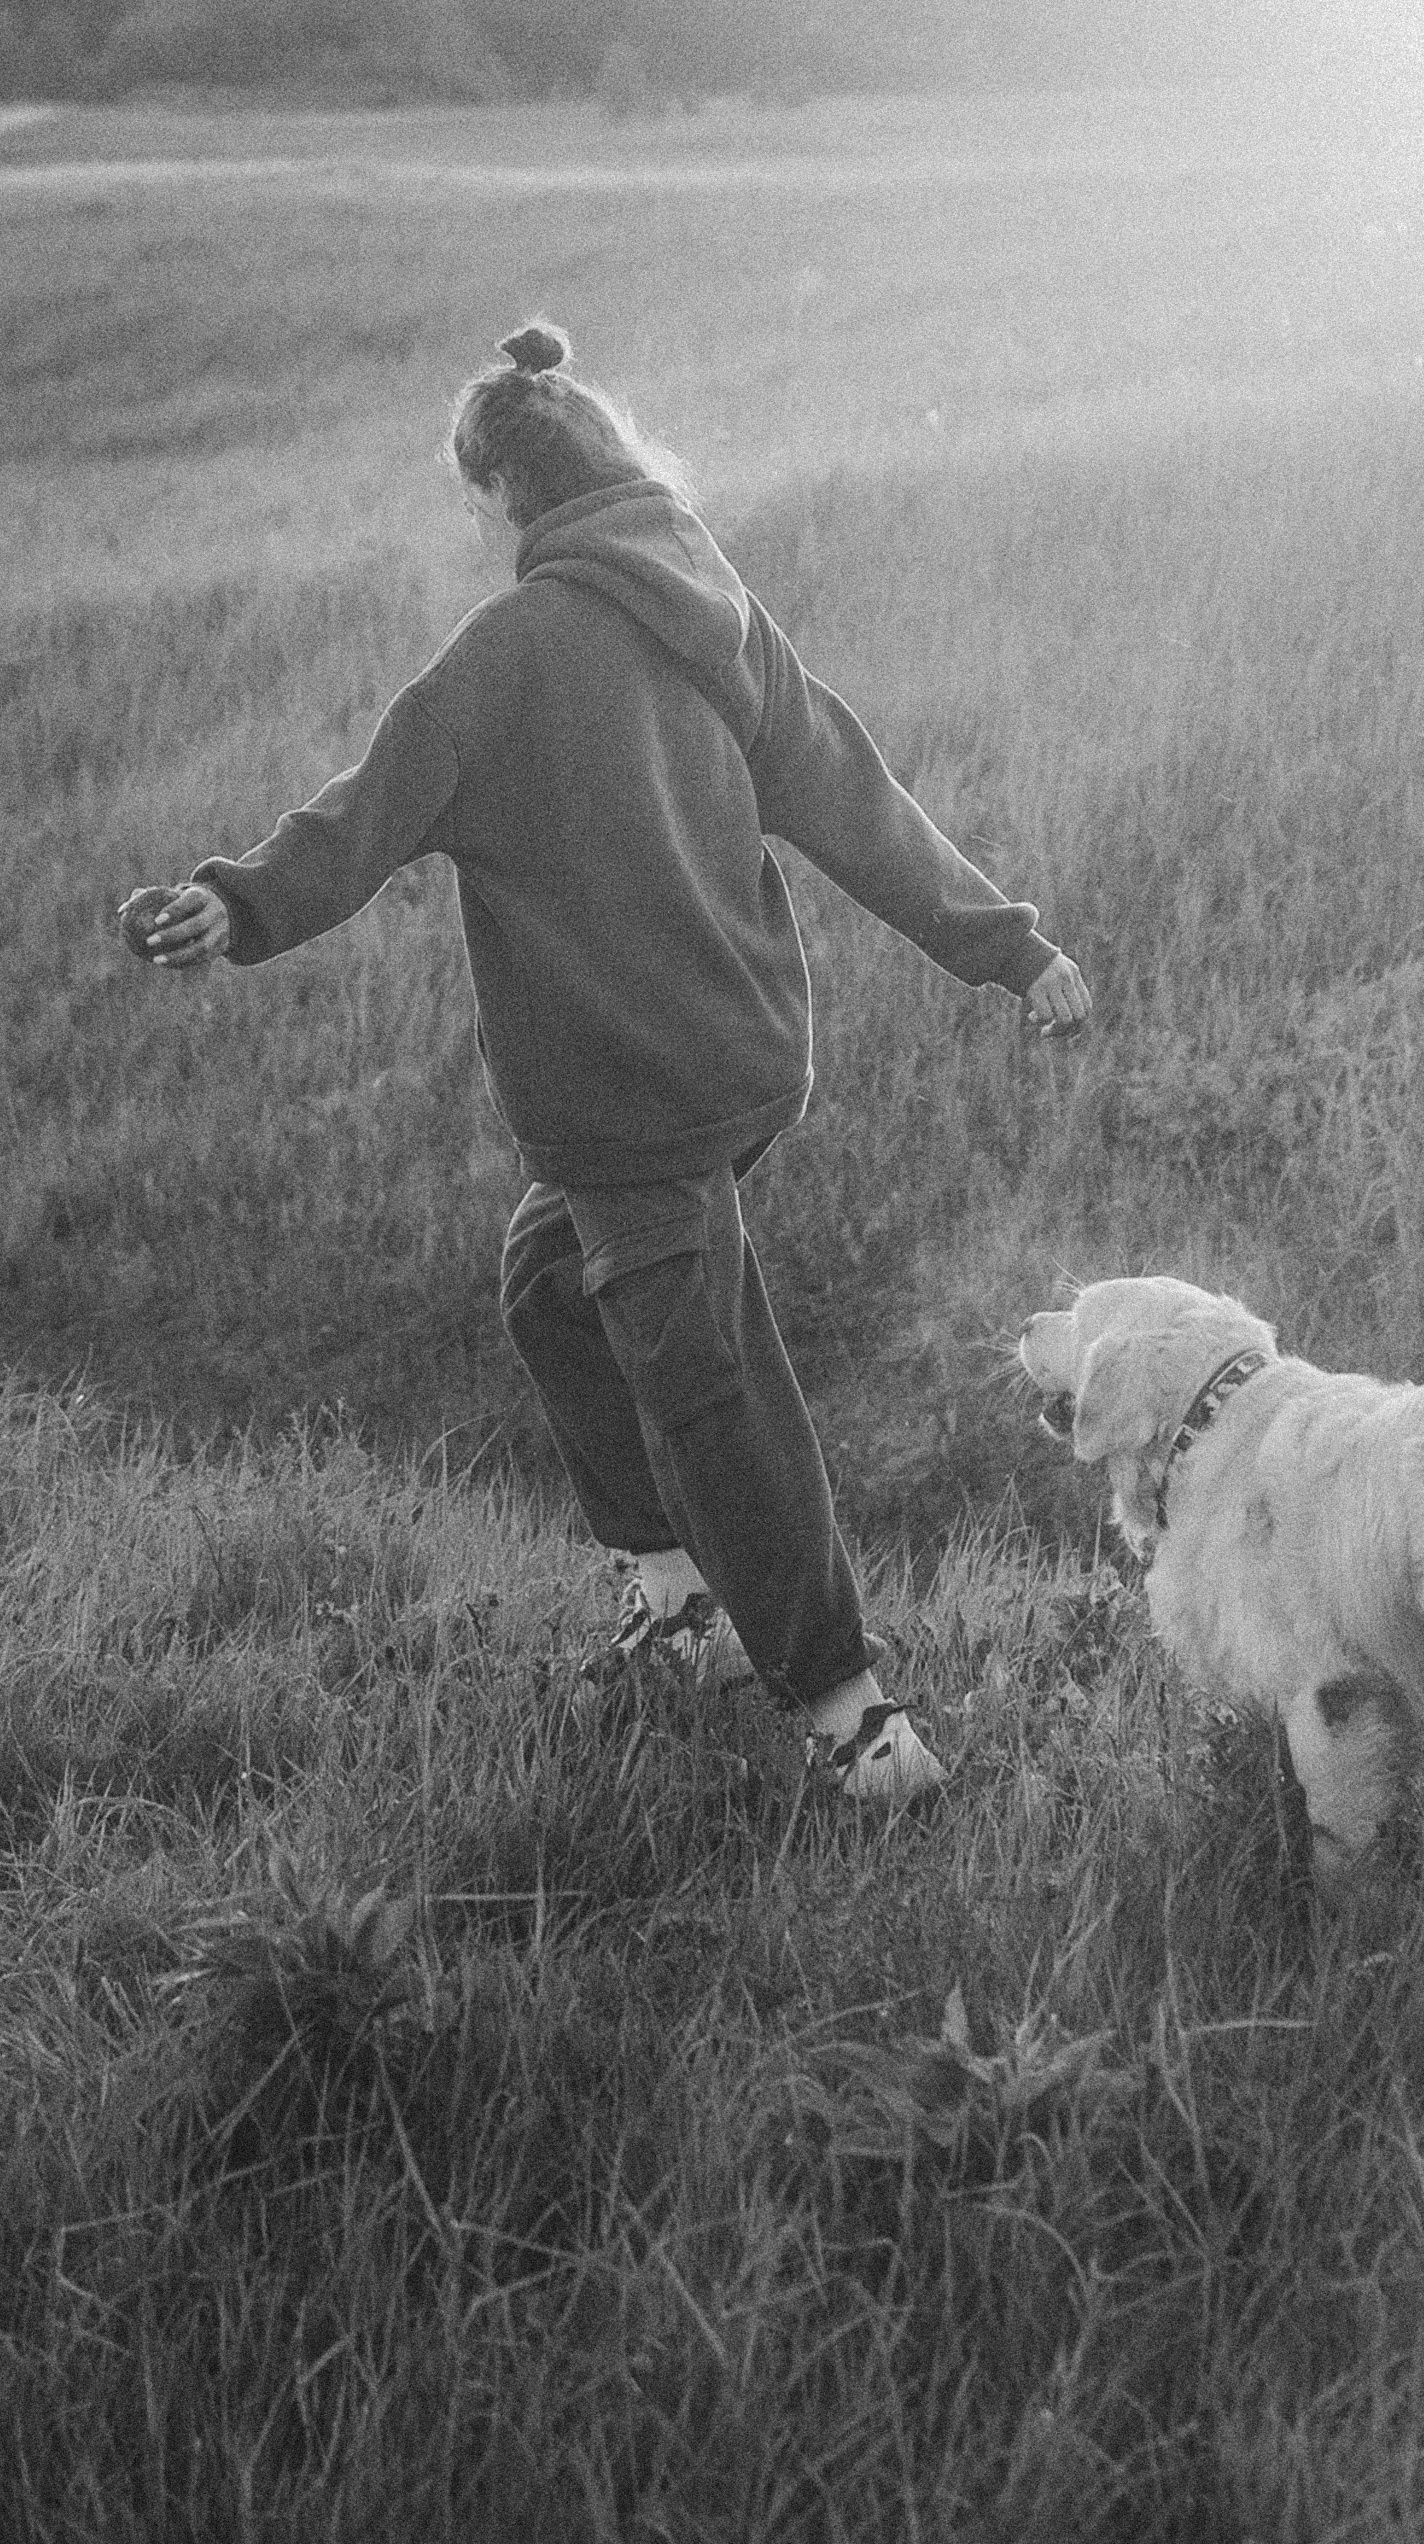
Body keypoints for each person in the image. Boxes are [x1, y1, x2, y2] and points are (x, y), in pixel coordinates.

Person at [122, 320, 1091, 1805]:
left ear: (502, 491)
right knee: (543, 1281)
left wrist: (236, 903)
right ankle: (675, 1601)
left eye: (470, 504)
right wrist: (1009, 948)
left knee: (708, 1386)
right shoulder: (712, 603)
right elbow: (853, 794)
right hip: (745, 1050)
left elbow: (363, 814)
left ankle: (856, 1721)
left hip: (632, 1098)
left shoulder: (510, 649)